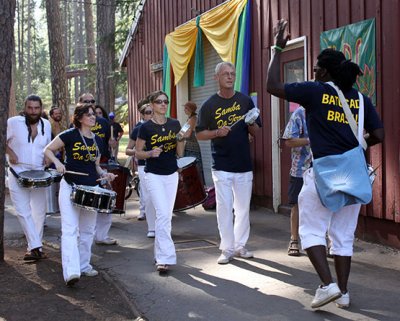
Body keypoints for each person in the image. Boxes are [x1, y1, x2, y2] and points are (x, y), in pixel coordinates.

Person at [266, 19, 384, 309]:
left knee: (310, 231)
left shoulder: (315, 91)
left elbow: (272, 86)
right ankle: (343, 294)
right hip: (354, 176)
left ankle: (327, 284)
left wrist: (278, 47)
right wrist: (353, 142)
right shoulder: (360, 98)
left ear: (327, 70)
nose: (313, 71)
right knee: (343, 237)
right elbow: (379, 135)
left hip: (323, 175)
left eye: (317, 67)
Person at [44, 102, 117, 286]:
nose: (93, 117)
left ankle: (84, 265)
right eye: (89, 114)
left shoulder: (98, 140)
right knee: (70, 229)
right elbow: (48, 150)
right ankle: (71, 271)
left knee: (88, 230)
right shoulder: (69, 135)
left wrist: (105, 174)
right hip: (70, 185)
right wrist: (58, 163)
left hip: (92, 188)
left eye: (94, 114)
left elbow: (96, 165)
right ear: (79, 118)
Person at [196, 62, 261, 265]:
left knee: (242, 208)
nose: (230, 77)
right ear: (217, 77)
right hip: (221, 164)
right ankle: (226, 248)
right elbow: (199, 134)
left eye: (233, 73)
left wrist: (251, 123)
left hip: (243, 164)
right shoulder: (209, 105)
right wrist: (217, 132)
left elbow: (256, 131)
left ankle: (240, 245)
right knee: (224, 208)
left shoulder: (245, 101)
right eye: (226, 74)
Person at [135, 90, 185, 272]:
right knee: (163, 214)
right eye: (159, 102)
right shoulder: (145, 127)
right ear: (151, 104)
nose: (163, 104)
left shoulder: (174, 123)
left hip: (171, 174)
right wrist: (150, 153)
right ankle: (165, 258)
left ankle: (160, 255)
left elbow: (179, 153)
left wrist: (181, 139)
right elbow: (137, 152)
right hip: (153, 174)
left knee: (166, 215)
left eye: (166, 101)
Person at [6, 94, 52, 260]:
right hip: (17, 172)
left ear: (41, 109)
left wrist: (48, 156)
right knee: (23, 211)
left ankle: (33, 248)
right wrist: (10, 152)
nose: (33, 111)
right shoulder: (12, 123)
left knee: (39, 213)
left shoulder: (46, 124)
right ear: (25, 108)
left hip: (39, 174)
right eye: (30, 108)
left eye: (36, 108)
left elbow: (48, 146)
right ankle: (36, 246)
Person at [78, 94, 116, 246]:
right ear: (80, 103)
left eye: (92, 101)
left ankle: (102, 235)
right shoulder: (74, 124)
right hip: (84, 169)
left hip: (103, 164)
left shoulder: (103, 122)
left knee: (106, 200)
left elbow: (108, 143)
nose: (90, 104)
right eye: (86, 101)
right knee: (84, 204)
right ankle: (83, 237)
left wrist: (112, 145)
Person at [282, 106, 312, 256]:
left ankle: (327, 241)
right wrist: (309, 140)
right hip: (300, 168)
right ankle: (294, 239)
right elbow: (288, 141)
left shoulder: (328, 109)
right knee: (296, 204)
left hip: (324, 167)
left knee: (326, 204)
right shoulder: (300, 113)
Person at [126, 99, 156, 236]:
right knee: (147, 192)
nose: (151, 114)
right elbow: (128, 150)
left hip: (160, 165)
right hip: (144, 165)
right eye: (148, 112)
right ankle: (144, 213)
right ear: (142, 115)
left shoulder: (160, 125)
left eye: (152, 112)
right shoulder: (138, 129)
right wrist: (142, 152)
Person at [180, 101, 205, 185]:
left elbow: (187, 134)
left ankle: (197, 187)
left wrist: (179, 137)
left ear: (190, 109)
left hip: (192, 146)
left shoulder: (192, 119)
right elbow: (182, 132)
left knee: (193, 168)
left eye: (185, 108)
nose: (184, 110)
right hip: (189, 146)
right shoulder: (190, 118)